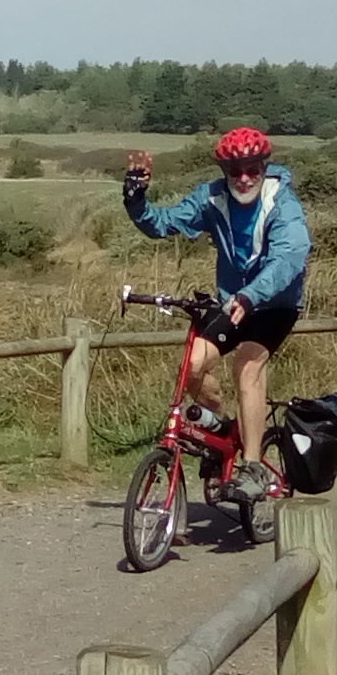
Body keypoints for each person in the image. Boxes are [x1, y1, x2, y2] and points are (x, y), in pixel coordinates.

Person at [122, 128, 311, 500]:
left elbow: (289, 256)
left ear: (264, 167)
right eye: (234, 170)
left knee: (247, 364)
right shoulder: (211, 198)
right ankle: (220, 431)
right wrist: (135, 197)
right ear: (224, 170)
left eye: (252, 169)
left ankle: (254, 466)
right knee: (191, 366)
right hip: (232, 303)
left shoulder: (282, 203)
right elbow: (162, 224)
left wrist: (251, 294)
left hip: (274, 304)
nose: (243, 178)